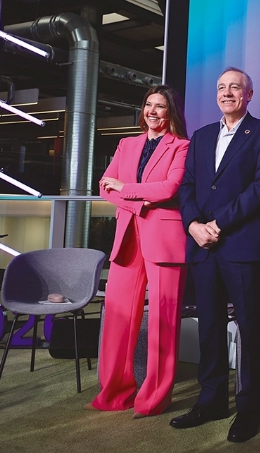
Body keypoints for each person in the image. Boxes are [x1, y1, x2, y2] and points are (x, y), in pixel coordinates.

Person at [173, 67, 260, 442]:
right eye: (222, 87)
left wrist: (218, 224)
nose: (227, 92)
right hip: (202, 247)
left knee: (250, 329)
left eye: (235, 87)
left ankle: (249, 409)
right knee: (210, 328)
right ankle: (211, 399)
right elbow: (186, 187)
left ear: (249, 94)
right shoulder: (201, 137)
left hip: (239, 246)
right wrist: (193, 226)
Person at [87, 84, 190, 418]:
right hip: (128, 237)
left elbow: (169, 187)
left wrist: (127, 189)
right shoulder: (126, 144)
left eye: (160, 106)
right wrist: (141, 203)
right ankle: (115, 391)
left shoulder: (182, 147)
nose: (153, 111)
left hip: (165, 241)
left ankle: (154, 398)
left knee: (163, 321)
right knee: (118, 318)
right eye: (148, 104)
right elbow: (105, 185)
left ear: (170, 111)